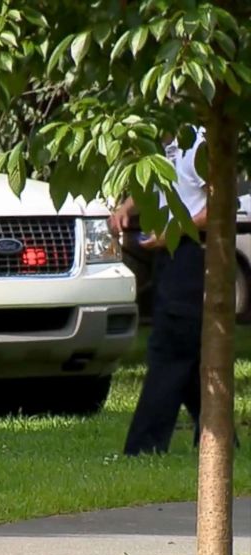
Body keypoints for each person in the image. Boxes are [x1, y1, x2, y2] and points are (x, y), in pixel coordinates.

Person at [112, 128, 207, 455]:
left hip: (192, 252)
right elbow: (156, 182)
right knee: (187, 355)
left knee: (169, 350)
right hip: (169, 254)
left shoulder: (199, 145)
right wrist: (127, 206)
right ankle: (216, 433)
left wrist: (172, 233)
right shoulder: (166, 148)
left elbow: (220, 205)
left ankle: (143, 447)